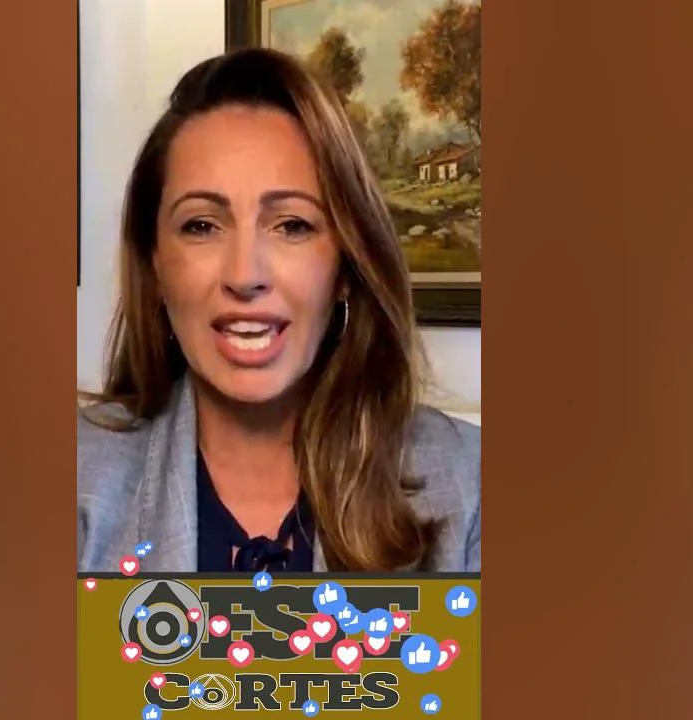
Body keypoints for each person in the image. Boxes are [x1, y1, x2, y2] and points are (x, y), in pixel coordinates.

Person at [77, 47, 479, 573]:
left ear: (346, 266)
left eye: (292, 225)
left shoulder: (472, 485)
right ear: (155, 264)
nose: (245, 275)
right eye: (201, 226)